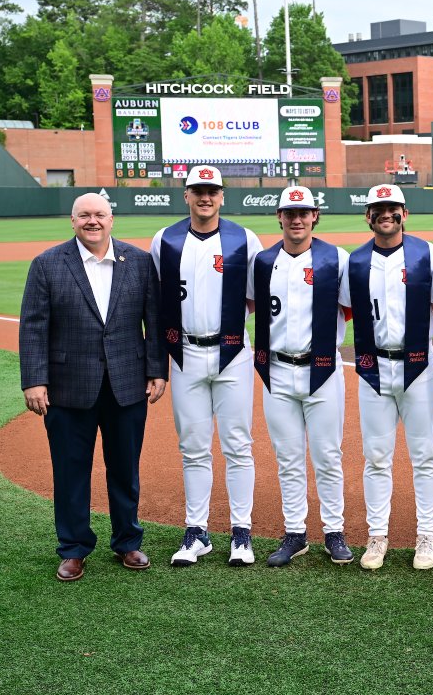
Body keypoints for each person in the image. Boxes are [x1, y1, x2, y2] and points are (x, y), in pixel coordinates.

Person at [19, 193, 166, 581]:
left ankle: (127, 541)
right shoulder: (48, 263)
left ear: (111, 219)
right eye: (84, 215)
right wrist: (34, 380)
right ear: (73, 221)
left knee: (124, 469)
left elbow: (153, 320)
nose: (92, 221)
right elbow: (33, 327)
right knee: (70, 472)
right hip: (68, 387)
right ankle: (73, 548)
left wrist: (157, 370)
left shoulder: (139, 261)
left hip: (127, 383)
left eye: (99, 214)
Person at [151, 165, 263, 567]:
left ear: (221, 195)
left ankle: (241, 533)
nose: (205, 197)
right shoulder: (165, 239)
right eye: (197, 190)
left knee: (238, 445)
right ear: (186, 195)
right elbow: (158, 300)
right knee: (193, 447)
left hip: (232, 352)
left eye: (212, 190)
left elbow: (255, 296)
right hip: (185, 354)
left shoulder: (244, 238)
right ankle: (196, 532)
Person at [250, 186, 354, 567]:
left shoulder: (336, 258)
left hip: (322, 369)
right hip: (277, 371)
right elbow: (252, 305)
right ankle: (295, 533)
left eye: (303, 212)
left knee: (328, 455)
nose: (297, 219)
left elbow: (348, 308)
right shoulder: (263, 261)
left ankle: (334, 531)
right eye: (290, 213)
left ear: (314, 216)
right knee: (288, 457)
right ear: (279, 216)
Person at [349, 184, 433, 570]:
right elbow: (347, 308)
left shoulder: (426, 252)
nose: (385, 214)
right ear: (368, 215)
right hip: (373, 367)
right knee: (375, 456)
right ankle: (377, 535)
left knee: (425, 455)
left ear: (404, 213)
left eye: (393, 208)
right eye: (378, 208)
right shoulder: (355, 261)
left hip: (418, 364)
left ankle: (427, 535)